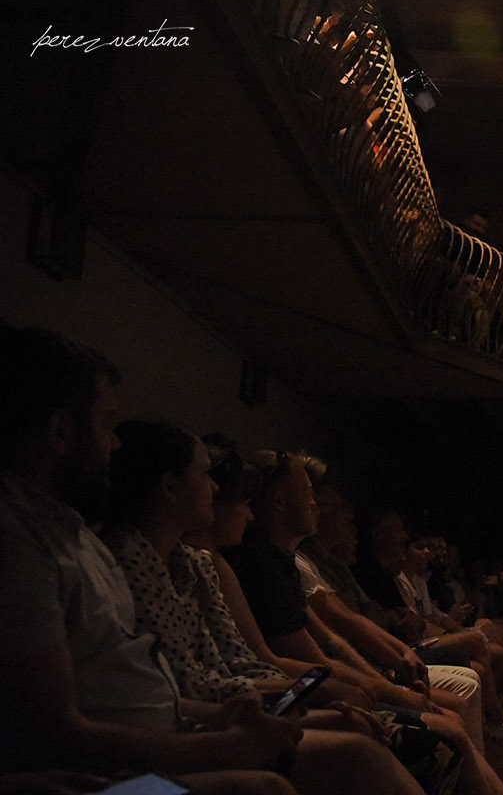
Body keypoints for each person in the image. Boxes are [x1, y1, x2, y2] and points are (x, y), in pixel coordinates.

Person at [0, 326, 402, 795]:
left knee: (358, 744)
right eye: (107, 424)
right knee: (321, 769)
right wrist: (230, 743)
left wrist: (226, 717)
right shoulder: (23, 542)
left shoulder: (77, 536)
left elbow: (160, 684)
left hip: (175, 727)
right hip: (124, 762)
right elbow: (55, 732)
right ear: (61, 431)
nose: (114, 444)